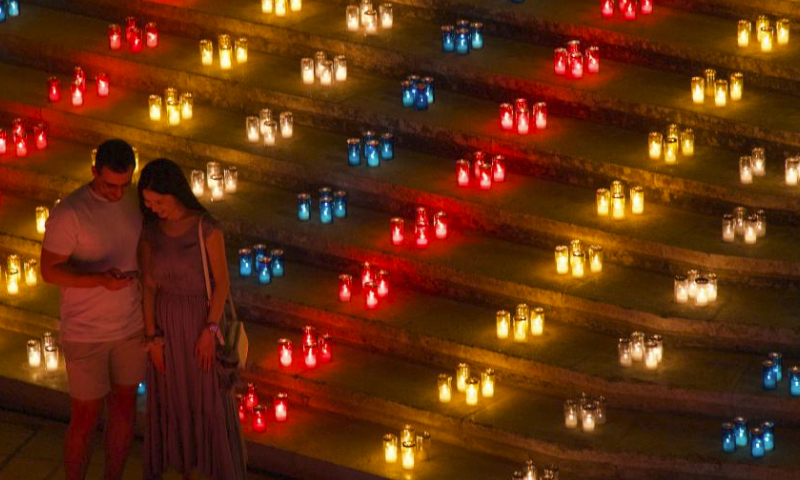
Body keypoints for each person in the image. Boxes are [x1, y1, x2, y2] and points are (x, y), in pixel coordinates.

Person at [40, 139, 145, 480]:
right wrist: (99, 280)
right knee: (85, 417)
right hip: (86, 332)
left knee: (125, 408)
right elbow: (49, 271)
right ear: (93, 172)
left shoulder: (133, 202)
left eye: (124, 185)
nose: (117, 194)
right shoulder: (70, 213)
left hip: (130, 326)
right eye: (109, 185)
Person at [138, 158, 246, 480]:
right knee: (172, 400)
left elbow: (222, 282)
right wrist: (152, 339)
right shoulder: (150, 232)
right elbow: (148, 288)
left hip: (200, 320)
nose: (154, 208)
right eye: (147, 202)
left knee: (207, 399)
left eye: (159, 201)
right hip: (167, 326)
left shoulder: (206, 227)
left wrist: (209, 332)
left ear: (176, 193)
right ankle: (182, 469)